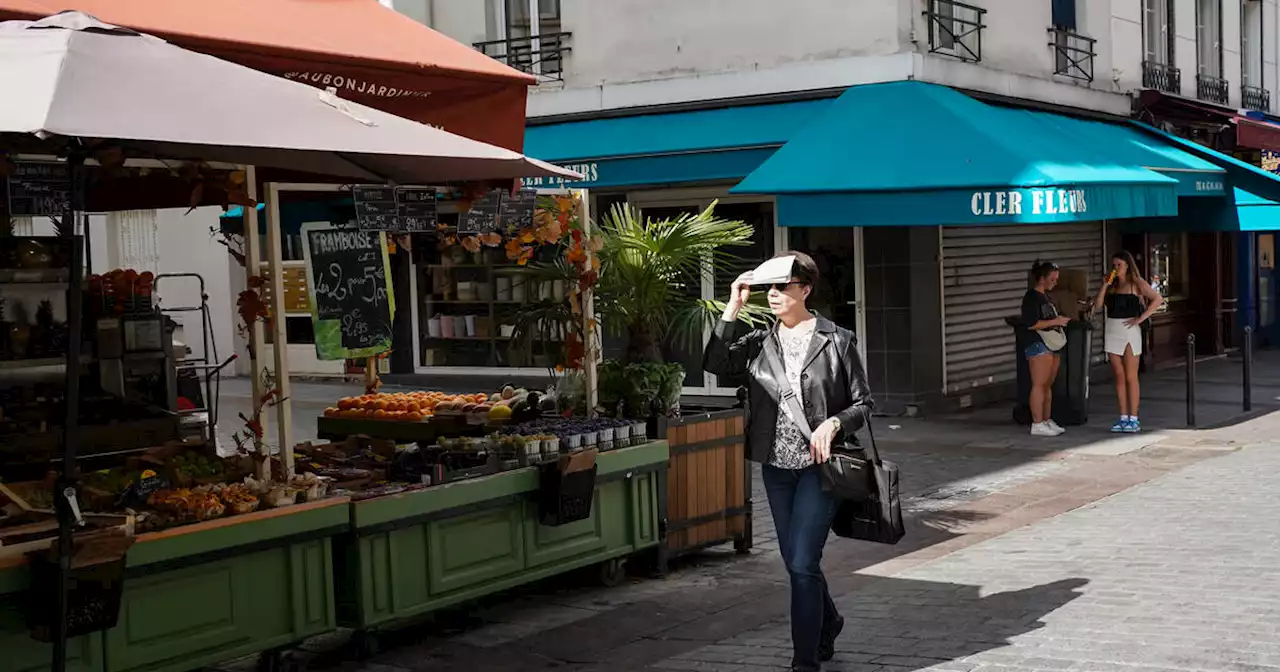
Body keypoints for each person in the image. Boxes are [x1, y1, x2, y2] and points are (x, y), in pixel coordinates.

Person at [704, 251, 872, 672]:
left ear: (806, 290)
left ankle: (804, 662)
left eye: (783, 287)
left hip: (820, 468)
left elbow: (864, 403)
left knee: (800, 562)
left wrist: (834, 422)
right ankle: (828, 622)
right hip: (776, 468)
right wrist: (735, 303)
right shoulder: (761, 341)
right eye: (770, 289)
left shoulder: (837, 340)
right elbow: (714, 363)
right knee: (799, 562)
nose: (774, 295)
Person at [1092, 250, 1163, 433]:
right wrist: (1105, 285)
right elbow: (1099, 305)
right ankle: (1123, 416)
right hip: (1112, 329)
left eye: (1119, 265)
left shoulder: (1136, 283)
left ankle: (1134, 417)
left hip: (1130, 330)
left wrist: (1141, 318)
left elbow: (1157, 299)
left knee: (1131, 375)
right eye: (1114, 265)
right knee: (1119, 375)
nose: (1116, 269)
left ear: (1127, 266)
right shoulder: (1112, 285)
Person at [1020, 260, 1071, 437]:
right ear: (1042, 279)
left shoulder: (1046, 297)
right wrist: (1055, 322)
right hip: (1038, 343)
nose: (1055, 283)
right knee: (1039, 384)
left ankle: (1046, 419)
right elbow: (1031, 323)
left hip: (1051, 343)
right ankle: (1037, 422)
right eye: (1053, 279)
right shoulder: (1031, 297)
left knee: (1048, 385)